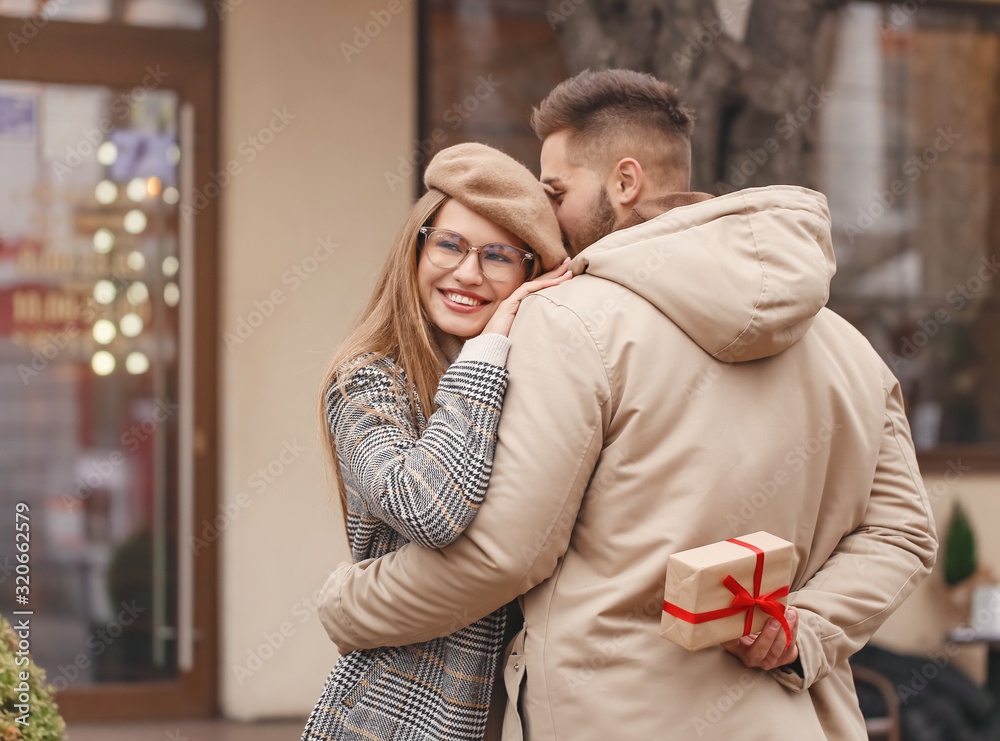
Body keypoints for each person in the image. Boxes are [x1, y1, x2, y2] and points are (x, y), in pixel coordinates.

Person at [317, 69, 938, 741]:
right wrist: (803, 629)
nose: (542, 216)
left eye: (555, 191)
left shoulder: (568, 321)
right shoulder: (846, 344)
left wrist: (348, 605)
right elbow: (904, 532)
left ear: (625, 181)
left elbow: (504, 557)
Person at [300, 142, 571, 741]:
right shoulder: (366, 381)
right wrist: (488, 352)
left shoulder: (544, 384)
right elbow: (429, 510)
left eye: (499, 256)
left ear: (530, 273)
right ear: (416, 248)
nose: (468, 274)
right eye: (449, 244)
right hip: (398, 712)